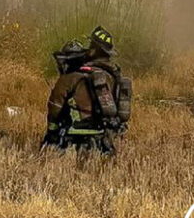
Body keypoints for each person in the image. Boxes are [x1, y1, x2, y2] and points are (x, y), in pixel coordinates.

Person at [42, 26, 131, 155]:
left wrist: (52, 133)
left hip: (75, 138)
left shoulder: (72, 77)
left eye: (91, 45)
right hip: (105, 137)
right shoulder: (112, 77)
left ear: (95, 50)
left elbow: (54, 107)